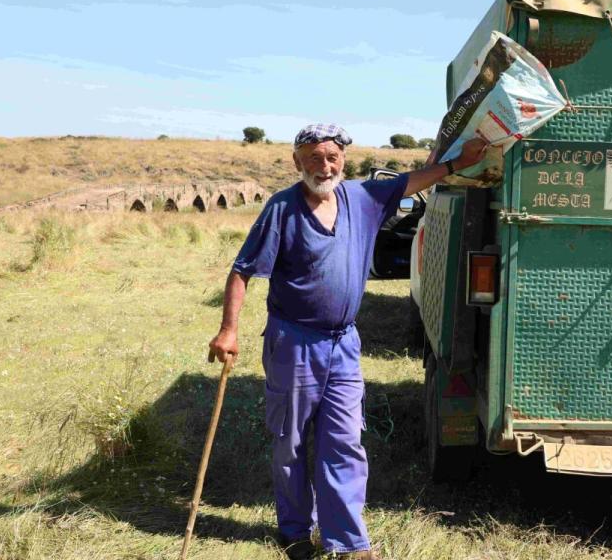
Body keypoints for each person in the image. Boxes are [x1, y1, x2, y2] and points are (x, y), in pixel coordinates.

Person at [208, 124, 487, 560]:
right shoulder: (282, 209)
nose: (325, 165)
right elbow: (242, 271)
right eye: (314, 157)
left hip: (343, 344)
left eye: (332, 157)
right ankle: (296, 531)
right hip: (294, 341)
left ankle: (349, 542)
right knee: (292, 441)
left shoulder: (362, 197)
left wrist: (456, 163)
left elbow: (413, 180)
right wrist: (228, 329)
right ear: (297, 161)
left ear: (343, 159)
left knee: (344, 440)